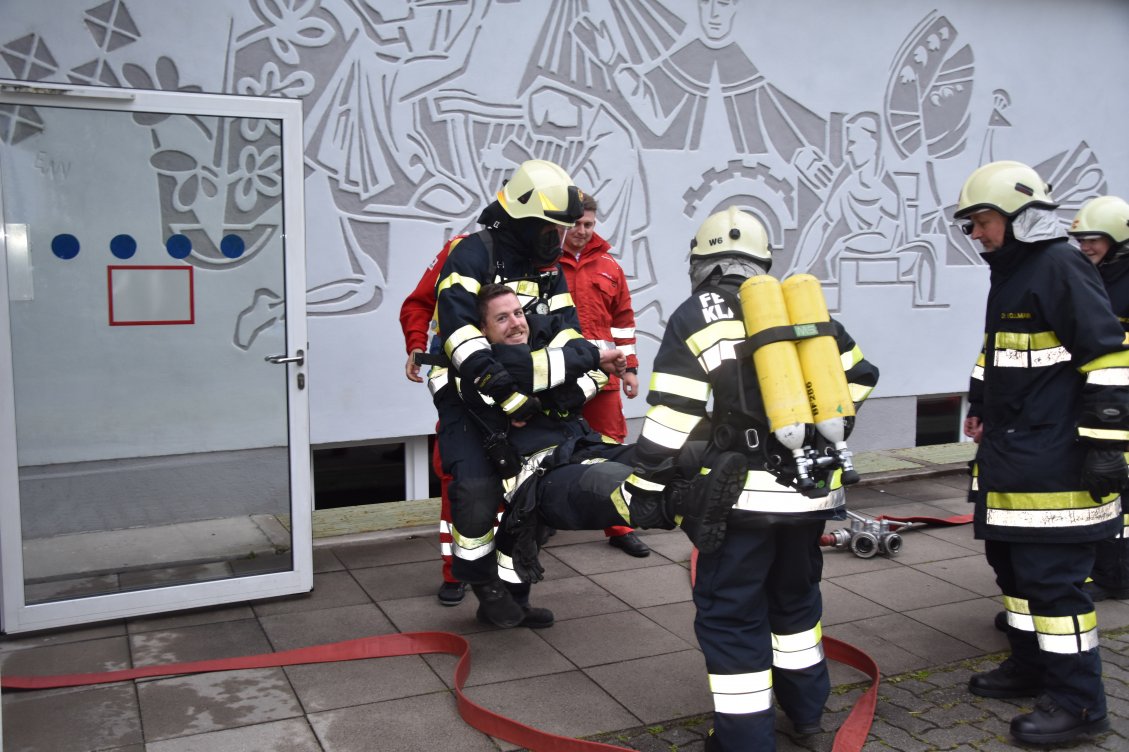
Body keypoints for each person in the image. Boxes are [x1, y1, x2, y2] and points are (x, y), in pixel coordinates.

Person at [623, 207, 879, 751]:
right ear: (762, 261)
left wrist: (645, 485)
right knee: (795, 605)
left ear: (701, 263)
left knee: (733, 617)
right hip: (810, 493)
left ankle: (744, 740)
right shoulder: (794, 306)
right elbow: (860, 374)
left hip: (742, 502)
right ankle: (808, 715)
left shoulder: (699, 313)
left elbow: (673, 415)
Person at [956, 161, 1129, 746]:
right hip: (1014, 448)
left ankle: (1082, 705)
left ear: (1020, 217)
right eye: (972, 226)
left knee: (1053, 583)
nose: (976, 234)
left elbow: (1108, 356)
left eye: (981, 222)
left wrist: (1107, 447)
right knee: (1013, 569)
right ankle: (1032, 666)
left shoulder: (1059, 266)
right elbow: (1003, 350)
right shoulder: (1015, 271)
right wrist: (980, 400)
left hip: (1053, 456)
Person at [464, 283, 747, 589]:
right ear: (483, 329)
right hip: (538, 477)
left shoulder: (545, 351)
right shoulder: (482, 372)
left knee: (682, 453)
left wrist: (555, 386)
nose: (517, 323)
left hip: (581, 448)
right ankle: (686, 502)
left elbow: (593, 375)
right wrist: (573, 370)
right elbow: (558, 369)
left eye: (518, 313)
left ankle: (724, 479)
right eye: (502, 318)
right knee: (609, 481)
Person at [430, 159, 585, 629]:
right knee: (475, 495)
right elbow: (460, 338)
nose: (556, 240)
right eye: (549, 229)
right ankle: (484, 585)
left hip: (531, 399)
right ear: (521, 217)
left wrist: (559, 390)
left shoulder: (548, 270)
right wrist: (509, 397)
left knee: (539, 498)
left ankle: (516, 585)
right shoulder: (470, 255)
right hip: (469, 403)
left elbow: (570, 336)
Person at [558, 193, 650, 557]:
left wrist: (630, 371)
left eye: (588, 225)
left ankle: (619, 527)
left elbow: (623, 322)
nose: (582, 231)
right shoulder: (545, 264)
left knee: (612, 448)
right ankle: (541, 518)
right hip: (559, 375)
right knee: (549, 446)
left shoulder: (610, 267)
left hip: (605, 376)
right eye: (576, 224)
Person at [399, 233, 469, 606]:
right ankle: (455, 571)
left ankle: (507, 575)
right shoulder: (460, 249)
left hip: (518, 387)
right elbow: (418, 303)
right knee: (456, 478)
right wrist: (416, 343)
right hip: (458, 385)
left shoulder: (543, 256)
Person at [1069, 195, 1129, 601]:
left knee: (1118, 494)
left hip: (1120, 402)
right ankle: (1110, 571)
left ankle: (1116, 577)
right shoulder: (1096, 276)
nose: (1086, 247)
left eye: (1095, 239)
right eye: (1082, 240)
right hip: (1104, 399)